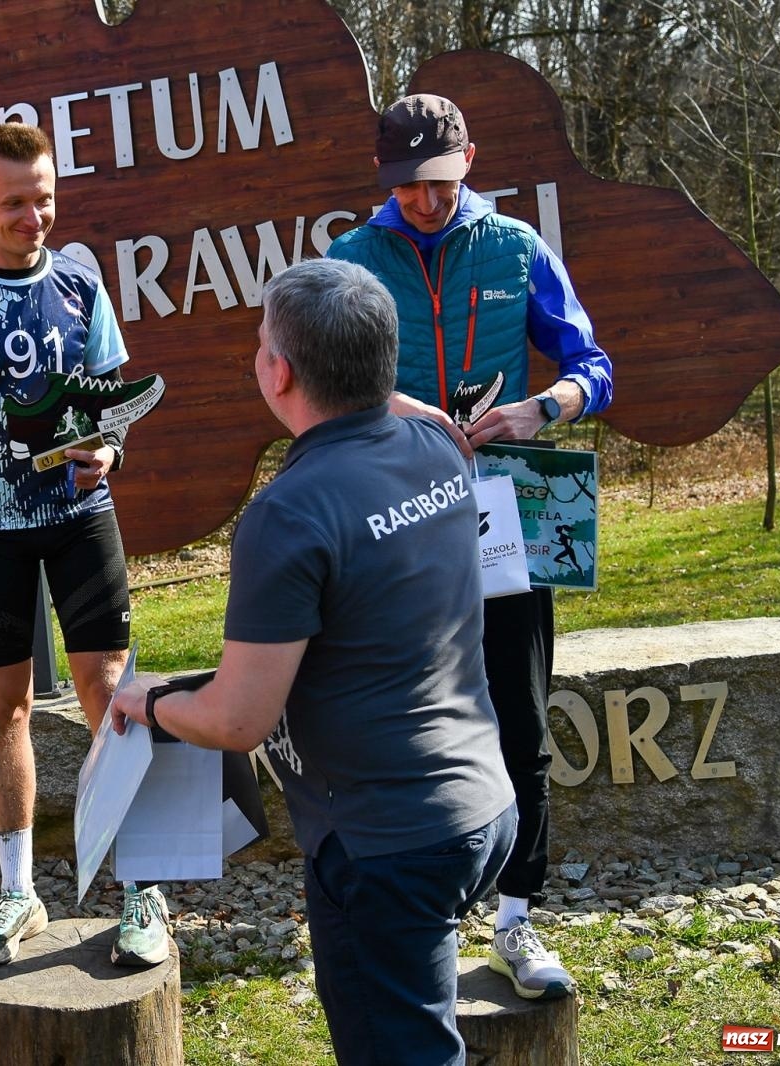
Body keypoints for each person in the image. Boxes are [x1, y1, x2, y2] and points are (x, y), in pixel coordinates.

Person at [110, 259, 516, 1065]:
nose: (256, 353)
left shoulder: (288, 514)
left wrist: (148, 703)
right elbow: (403, 406)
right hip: (483, 806)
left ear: (280, 371)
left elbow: (236, 719)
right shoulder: (440, 449)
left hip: (387, 844)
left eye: (262, 341)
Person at [327, 93, 614, 1001]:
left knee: (522, 719)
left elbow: (593, 369)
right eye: (405, 184)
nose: (422, 200)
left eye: (439, 181)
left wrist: (544, 407)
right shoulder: (351, 260)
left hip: (507, 510)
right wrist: (396, 409)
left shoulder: (519, 248)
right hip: (398, 516)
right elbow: (323, 385)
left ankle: (519, 922)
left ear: (471, 161)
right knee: (415, 724)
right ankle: (428, 921)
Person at [0, 121, 167, 968]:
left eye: (45, 198)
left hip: (80, 516)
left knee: (110, 698)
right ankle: (18, 890)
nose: (33, 216)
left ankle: (140, 885)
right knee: (4, 710)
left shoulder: (81, 276)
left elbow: (110, 401)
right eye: (14, 201)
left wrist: (111, 450)